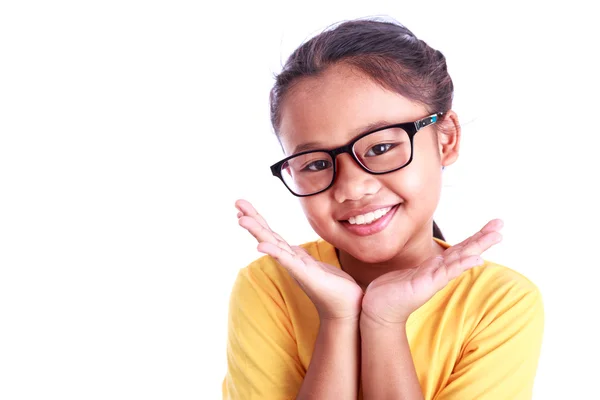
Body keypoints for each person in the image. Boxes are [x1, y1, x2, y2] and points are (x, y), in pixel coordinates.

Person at [222, 17, 544, 400]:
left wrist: (383, 323)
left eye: (379, 148)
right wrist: (338, 318)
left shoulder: (499, 303)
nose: (352, 187)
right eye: (316, 163)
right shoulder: (270, 287)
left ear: (446, 139)